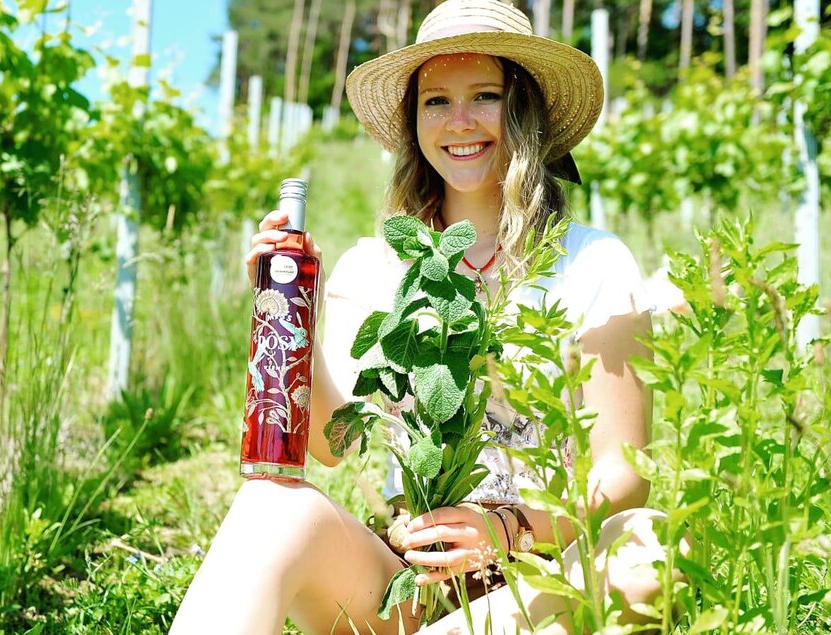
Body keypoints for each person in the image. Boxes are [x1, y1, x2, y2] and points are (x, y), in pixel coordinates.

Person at [171, 1, 678, 633]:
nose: (458, 121)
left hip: (547, 576)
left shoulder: (594, 262)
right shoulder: (379, 265)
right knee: (270, 507)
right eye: (435, 101)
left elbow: (624, 475)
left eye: (485, 95)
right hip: (411, 582)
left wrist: (505, 529)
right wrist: (295, 317)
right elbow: (336, 443)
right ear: (414, 123)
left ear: (524, 110)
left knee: (647, 547)